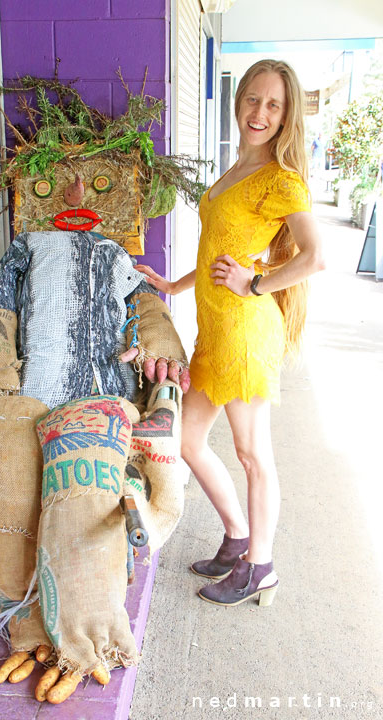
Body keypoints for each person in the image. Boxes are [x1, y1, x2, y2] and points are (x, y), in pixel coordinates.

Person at [135, 59, 324, 608]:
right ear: (237, 102)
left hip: (245, 334)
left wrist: (256, 282)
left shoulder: (281, 181)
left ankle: (261, 566)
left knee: (251, 454)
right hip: (214, 334)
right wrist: (172, 285)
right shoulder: (235, 168)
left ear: (286, 117)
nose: (259, 113)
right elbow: (220, 256)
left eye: (273, 105)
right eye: (252, 100)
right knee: (188, 441)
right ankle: (238, 537)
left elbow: (315, 257)